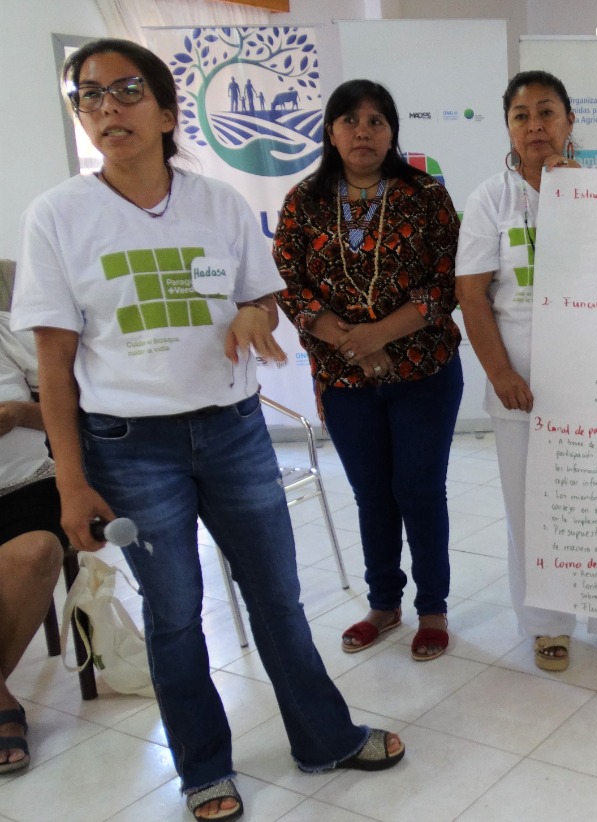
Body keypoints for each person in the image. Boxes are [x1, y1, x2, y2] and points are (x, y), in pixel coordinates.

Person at [13, 39, 404, 821]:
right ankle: (201, 767)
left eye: (126, 90)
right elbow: (53, 366)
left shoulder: (217, 203)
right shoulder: (57, 216)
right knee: (176, 610)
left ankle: (323, 736)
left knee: (278, 597)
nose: (107, 107)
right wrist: (70, 478)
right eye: (88, 96)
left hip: (231, 429)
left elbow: (262, 296)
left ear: (164, 111)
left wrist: (254, 321)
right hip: (129, 444)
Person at [455, 70, 597, 671]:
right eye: (521, 116)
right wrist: (500, 374)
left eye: (546, 112)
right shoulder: (488, 199)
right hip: (521, 383)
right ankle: (547, 622)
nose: (535, 126)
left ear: (570, 122)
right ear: (508, 128)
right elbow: (472, 295)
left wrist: (587, 206)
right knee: (532, 506)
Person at [274, 79, 463, 662]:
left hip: (424, 372)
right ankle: (384, 604)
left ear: (392, 133)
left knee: (420, 490)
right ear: (330, 132)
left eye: (377, 120)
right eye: (350, 120)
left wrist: (379, 334)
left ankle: (433, 608)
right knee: (372, 495)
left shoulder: (426, 196)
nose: (363, 131)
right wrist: (354, 345)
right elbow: (289, 284)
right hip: (345, 379)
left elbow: (446, 284)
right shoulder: (302, 202)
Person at [0, 313, 63, 775]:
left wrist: (19, 414)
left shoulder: (8, 331)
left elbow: (70, 415)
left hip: (25, 489)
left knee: (40, 550)